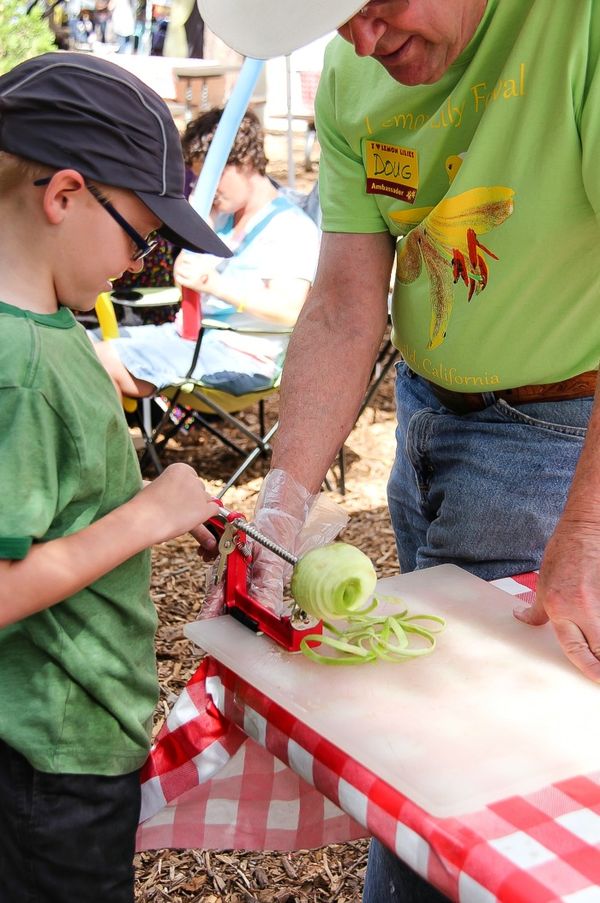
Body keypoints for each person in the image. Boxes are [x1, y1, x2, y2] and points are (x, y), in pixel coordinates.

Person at [198, 0, 600, 900]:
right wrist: (282, 509)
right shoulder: (354, 66)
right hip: (427, 411)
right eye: (341, 23)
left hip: (565, 439)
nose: (363, 42)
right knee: (420, 749)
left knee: (497, 771)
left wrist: (589, 524)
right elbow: (345, 297)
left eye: (378, 7)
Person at [0, 51, 231, 902]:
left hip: (51, 738)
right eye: (143, 235)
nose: (144, 265)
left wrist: (139, 501)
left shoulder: (45, 330)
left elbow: (46, 510)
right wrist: (144, 517)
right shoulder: (21, 363)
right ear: (62, 196)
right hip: (51, 756)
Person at [94, 107, 321, 400]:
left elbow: (290, 311)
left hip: (241, 356)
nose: (206, 188)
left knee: (96, 360)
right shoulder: (223, 218)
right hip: (190, 339)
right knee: (73, 346)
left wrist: (215, 284)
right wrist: (198, 229)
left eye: (213, 177)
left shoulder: (290, 226)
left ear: (247, 162)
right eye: (200, 178)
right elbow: (189, 279)